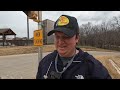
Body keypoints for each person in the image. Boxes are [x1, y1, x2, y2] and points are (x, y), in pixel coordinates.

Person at [36, 14, 112, 79]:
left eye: (65, 37)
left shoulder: (91, 66)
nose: (60, 42)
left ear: (77, 38)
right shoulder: (45, 62)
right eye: (57, 37)